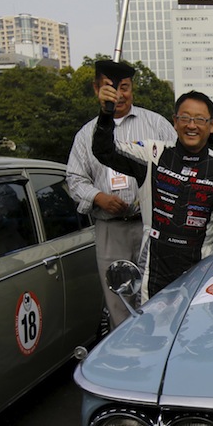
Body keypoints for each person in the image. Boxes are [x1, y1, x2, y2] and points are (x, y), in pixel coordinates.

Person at [92, 87, 213, 303]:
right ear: (175, 121)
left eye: (199, 119)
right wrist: (106, 113)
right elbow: (104, 150)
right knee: (154, 333)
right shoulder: (152, 153)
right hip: (153, 269)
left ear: (212, 125)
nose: (191, 125)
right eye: (185, 118)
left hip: (201, 270)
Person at [67, 60, 177, 329]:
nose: (119, 94)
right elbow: (74, 178)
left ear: (132, 89)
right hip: (111, 230)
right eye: (110, 87)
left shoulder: (157, 125)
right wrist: (97, 197)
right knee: (118, 297)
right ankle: (125, 355)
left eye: (124, 87)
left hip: (151, 225)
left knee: (159, 291)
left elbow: (176, 167)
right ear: (97, 89)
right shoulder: (86, 135)